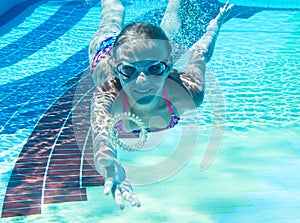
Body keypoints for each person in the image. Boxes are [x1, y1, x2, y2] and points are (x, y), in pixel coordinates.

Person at [89, 0, 233, 209]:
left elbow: (200, 53)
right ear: (116, 68)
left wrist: (214, 27)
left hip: (145, 55)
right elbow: (101, 136)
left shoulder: (188, 93)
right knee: (113, 12)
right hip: (107, 50)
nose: (142, 81)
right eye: (129, 72)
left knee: (166, 31)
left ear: (168, 67)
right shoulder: (108, 95)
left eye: (154, 69)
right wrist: (110, 167)